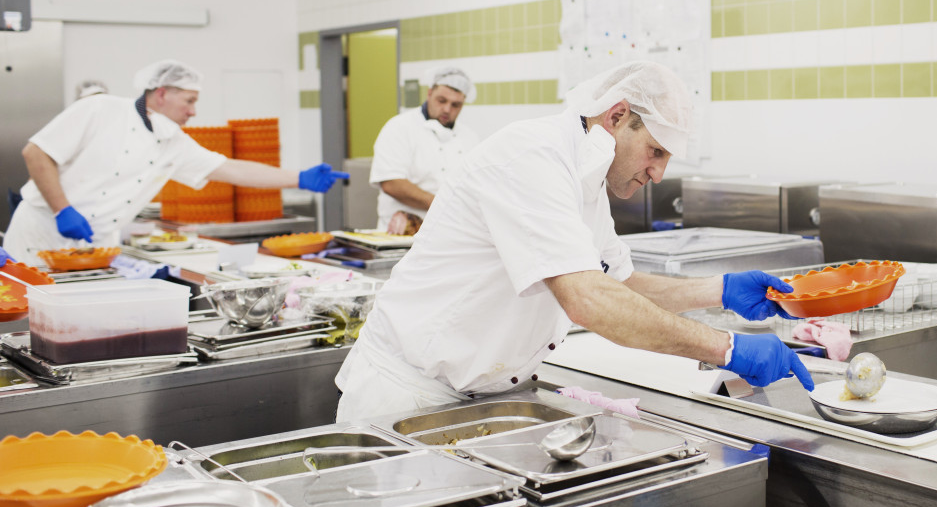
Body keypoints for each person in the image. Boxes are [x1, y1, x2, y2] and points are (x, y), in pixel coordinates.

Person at [336, 61, 812, 421]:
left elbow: (617, 283)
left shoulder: (586, 178)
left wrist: (721, 290)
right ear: (617, 116)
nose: (659, 173)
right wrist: (726, 349)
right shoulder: (532, 158)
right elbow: (587, 300)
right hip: (408, 396)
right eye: (655, 151)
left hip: (486, 394)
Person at [3, 59, 348, 263]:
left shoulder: (173, 142)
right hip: (43, 231)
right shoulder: (101, 109)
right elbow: (37, 153)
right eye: (189, 101)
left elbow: (231, 168)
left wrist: (298, 178)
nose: (194, 111)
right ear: (162, 93)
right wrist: (63, 209)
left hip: (97, 244)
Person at [369, 67, 479, 234]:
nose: (447, 109)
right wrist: (441, 204)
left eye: (456, 105)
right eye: (441, 101)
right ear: (429, 94)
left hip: (452, 234)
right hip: (403, 236)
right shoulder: (399, 127)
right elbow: (391, 183)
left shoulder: (469, 137)